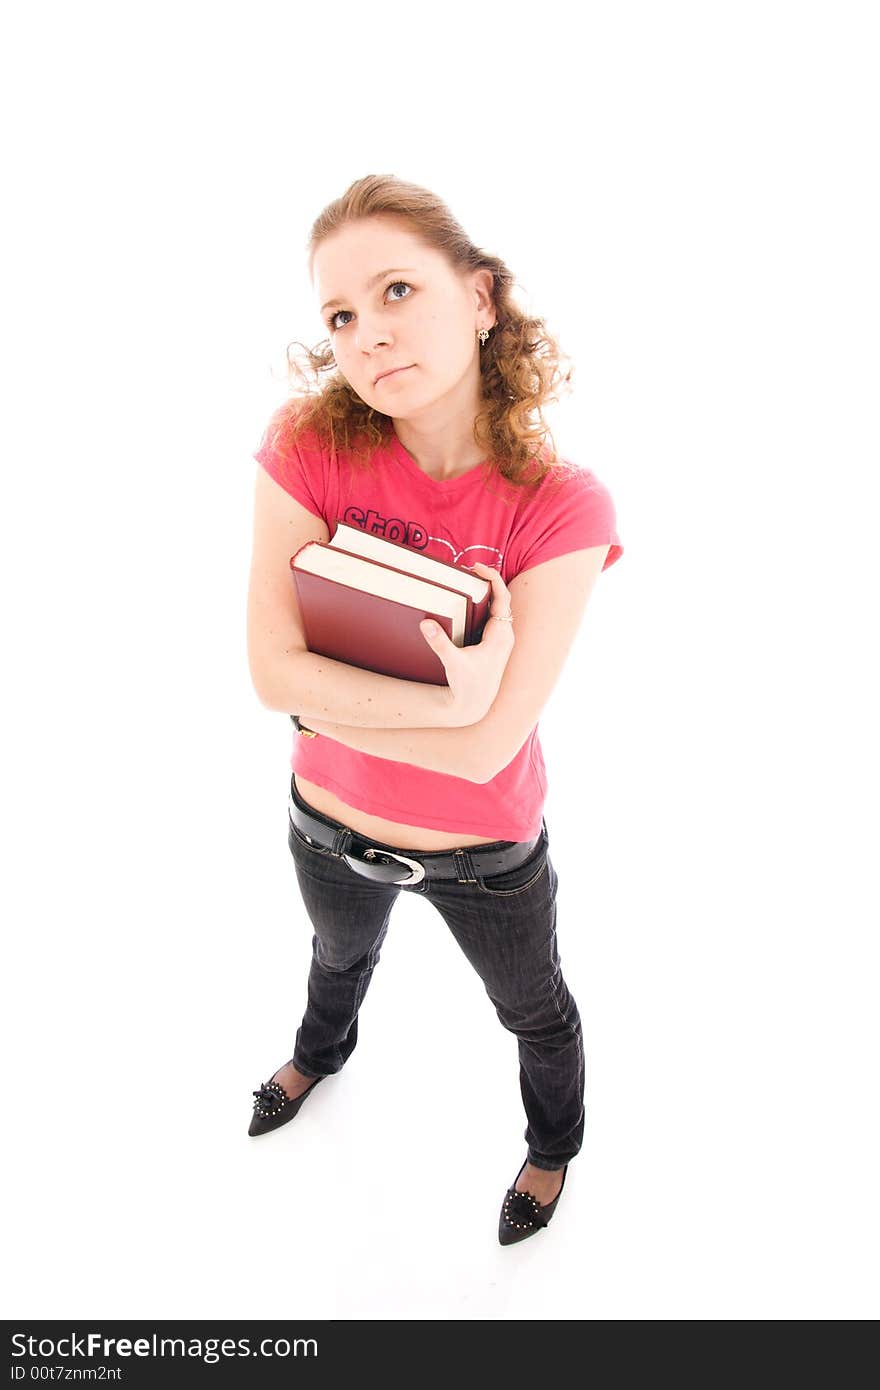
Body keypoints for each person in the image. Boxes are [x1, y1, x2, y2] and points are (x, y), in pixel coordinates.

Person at [245, 174, 623, 1245]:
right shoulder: (308, 445)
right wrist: (442, 704)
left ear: (483, 297)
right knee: (333, 962)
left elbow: (492, 747)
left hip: (484, 858)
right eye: (340, 315)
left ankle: (551, 1148)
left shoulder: (563, 505)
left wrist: (332, 713)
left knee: (533, 1010)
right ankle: (319, 1056)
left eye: (397, 289)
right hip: (324, 824)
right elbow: (272, 675)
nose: (367, 334)